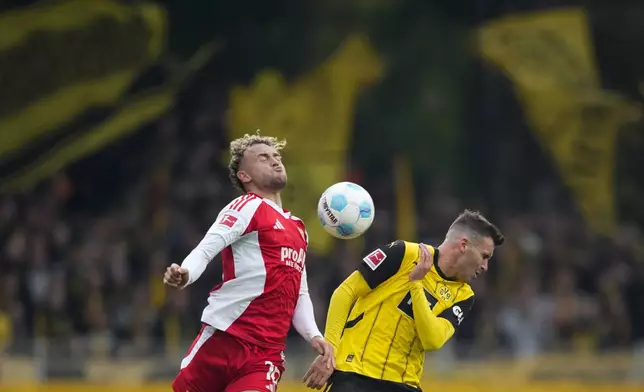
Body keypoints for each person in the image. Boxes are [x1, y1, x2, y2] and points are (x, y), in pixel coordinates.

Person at [165, 133, 335, 392]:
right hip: (225, 338)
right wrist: (186, 272)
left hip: (265, 354)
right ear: (245, 176)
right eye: (263, 158)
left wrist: (314, 335)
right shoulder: (247, 206)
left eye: (276, 156)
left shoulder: (299, 229)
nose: (275, 161)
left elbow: (298, 292)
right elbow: (206, 249)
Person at [303, 210, 504, 391]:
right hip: (355, 374)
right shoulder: (403, 253)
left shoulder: (463, 295)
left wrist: (416, 284)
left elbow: (432, 340)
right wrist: (329, 353)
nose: (485, 266)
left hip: (404, 383)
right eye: (484, 256)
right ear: (463, 245)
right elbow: (345, 292)